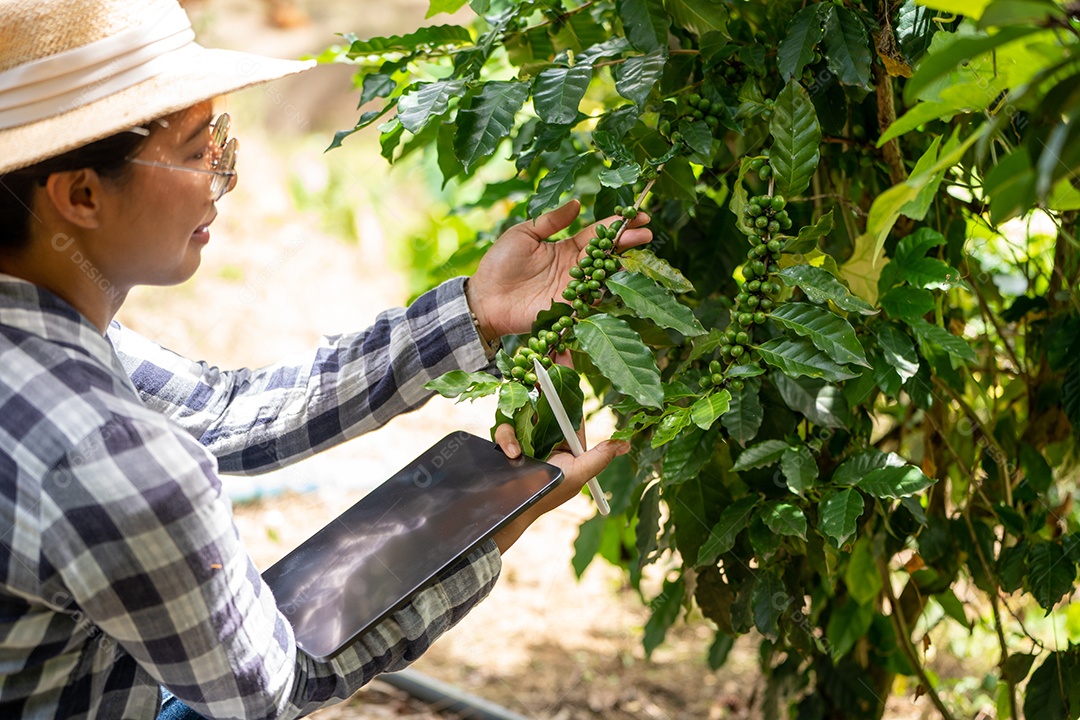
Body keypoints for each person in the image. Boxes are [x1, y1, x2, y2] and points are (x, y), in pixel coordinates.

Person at [0, 0, 653, 718]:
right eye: (194, 150)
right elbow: (269, 684)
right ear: (82, 194)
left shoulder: (47, 348)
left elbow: (223, 412)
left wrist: (473, 312)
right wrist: (482, 527)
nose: (225, 174)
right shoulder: (114, 458)